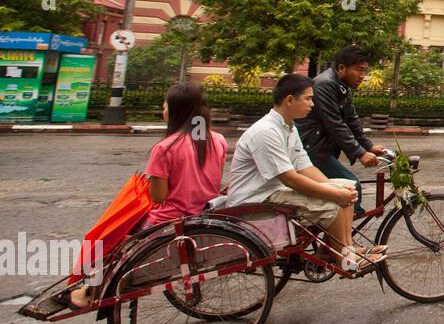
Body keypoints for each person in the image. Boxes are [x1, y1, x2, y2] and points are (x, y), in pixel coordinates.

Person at [65, 82, 227, 310]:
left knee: (113, 235)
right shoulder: (218, 140)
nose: (163, 110)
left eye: (165, 106)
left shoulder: (164, 148)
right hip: (203, 214)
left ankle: (90, 291)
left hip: (170, 219)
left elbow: (159, 197)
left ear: (176, 111)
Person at [227, 73, 383, 266]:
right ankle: (345, 257)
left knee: (348, 187)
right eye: (308, 99)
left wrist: (336, 189)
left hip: (275, 191)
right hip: (257, 197)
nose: (312, 104)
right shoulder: (266, 132)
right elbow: (290, 178)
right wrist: (332, 193)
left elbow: (305, 167)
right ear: (290, 100)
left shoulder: (289, 128)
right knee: (332, 203)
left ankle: (341, 249)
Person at [296, 45, 388, 216]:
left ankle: (338, 234)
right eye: (358, 70)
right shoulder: (325, 85)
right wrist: (360, 153)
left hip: (320, 148)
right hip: (311, 150)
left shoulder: (341, 86)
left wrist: (368, 146)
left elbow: (351, 119)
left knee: (347, 190)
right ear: (341, 68)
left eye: (365, 71)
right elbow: (335, 124)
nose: (362, 76)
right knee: (351, 186)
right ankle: (341, 238)